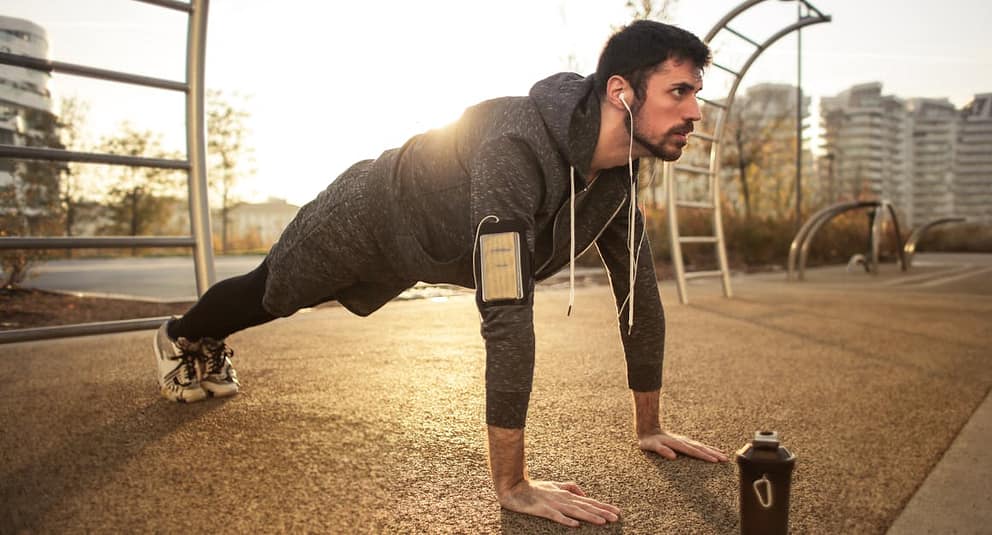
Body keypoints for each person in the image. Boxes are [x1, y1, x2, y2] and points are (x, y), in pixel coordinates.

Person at [152, 19, 730, 527]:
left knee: (274, 293)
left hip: (434, 245)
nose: (695, 112)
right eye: (678, 92)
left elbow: (640, 294)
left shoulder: (620, 177)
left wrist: (649, 427)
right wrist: (513, 484)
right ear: (621, 92)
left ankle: (198, 336)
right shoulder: (515, 146)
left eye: (697, 94)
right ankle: (182, 334)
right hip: (369, 214)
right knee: (271, 294)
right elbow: (506, 306)